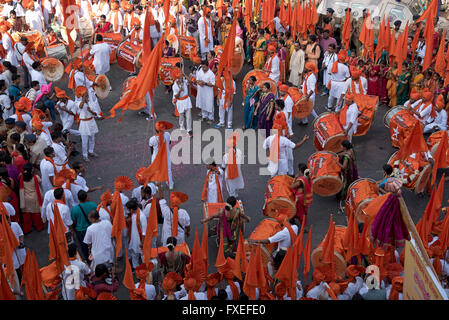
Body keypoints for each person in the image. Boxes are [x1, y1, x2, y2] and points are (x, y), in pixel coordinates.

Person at [71, 190, 97, 261]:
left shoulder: (75, 209)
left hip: (81, 231)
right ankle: (96, 258)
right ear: (87, 197)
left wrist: (73, 230)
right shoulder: (93, 205)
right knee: (95, 244)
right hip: (93, 227)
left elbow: (74, 222)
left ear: (78, 199)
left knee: (84, 247)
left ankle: (89, 260)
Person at [75, 86, 99, 162]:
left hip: (91, 121)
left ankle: (91, 151)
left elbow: (96, 114)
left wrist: (91, 111)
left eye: (87, 95)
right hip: (84, 123)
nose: (87, 96)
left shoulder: (91, 102)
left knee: (92, 138)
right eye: (85, 95)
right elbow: (81, 106)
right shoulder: (78, 102)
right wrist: (83, 99)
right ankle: (85, 155)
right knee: (84, 141)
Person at [19, 162, 44, 233]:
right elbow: (40, 181)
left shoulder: (21, 177)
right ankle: (39, 227)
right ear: (31, 170)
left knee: (26, 215)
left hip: (25, 198)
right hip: (35, 197)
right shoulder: (35, 177)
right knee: (36, 214)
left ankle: (27, 229)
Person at [149, 121, 173, 190]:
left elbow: (151, 149)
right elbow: (170, 142)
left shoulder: (152, 139)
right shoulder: (167, 135)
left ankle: (158, 186)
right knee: (168, 170)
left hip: (156, 158)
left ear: (155, 130)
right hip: (166, 156)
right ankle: (170, 185)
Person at [222, 134, 244, 198]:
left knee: (231, 190)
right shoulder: (239, 152)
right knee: (236, 186)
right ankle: (236, 196)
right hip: (237, 173)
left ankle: (233, 200)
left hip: (230, 175)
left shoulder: (226, 156)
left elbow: (223, 167)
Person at [291, 163, 313, 228]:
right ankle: (292, 220)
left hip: (299, 198)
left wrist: (294, 179)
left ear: (300, 170)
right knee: (303, 211)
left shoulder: (300, 181)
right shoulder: (308, 176)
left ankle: (304, 227)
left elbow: (292, 187)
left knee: (299, 212)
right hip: (305, 197)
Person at [172, 70, 192, 136]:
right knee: (181, 116)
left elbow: (190, 81)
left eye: (180, 78)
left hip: (187, 100)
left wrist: (184, 74)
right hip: (180, 102)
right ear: (176, 79)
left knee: (188, 116)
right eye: (178, 78)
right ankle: (182, 128)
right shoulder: (174, 86)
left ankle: (189, 130)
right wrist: (180, 91)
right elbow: (176, 97)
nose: (180, 79)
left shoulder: (184, 81)